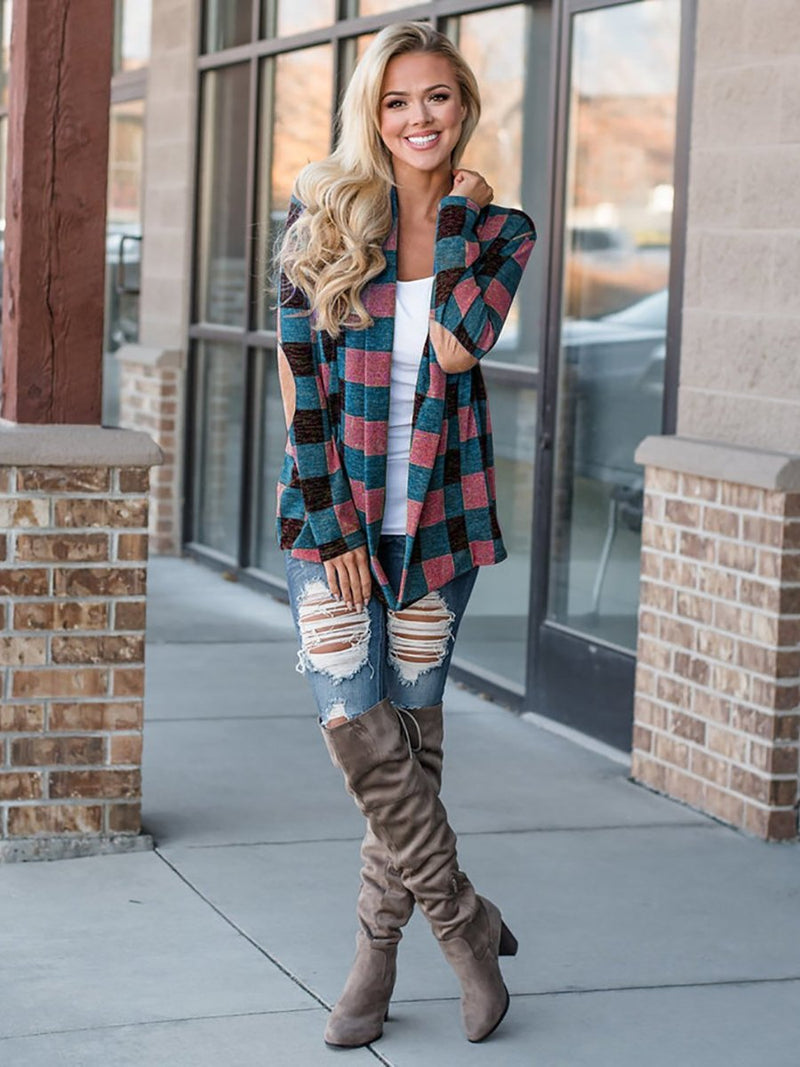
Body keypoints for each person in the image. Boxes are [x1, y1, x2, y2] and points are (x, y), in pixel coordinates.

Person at [275, 20, 535, 1049]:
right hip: (331, 527)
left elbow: (458, 339)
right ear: (368, 116)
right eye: (394, 101)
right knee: (361, 733)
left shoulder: (501, 231)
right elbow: (300, 389)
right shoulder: (319, 218)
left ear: (462, 108)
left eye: (434, 98)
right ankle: (462, 925)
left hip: (438, 526)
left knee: (412, 747)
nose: (415, 117)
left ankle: (372, 959)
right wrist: (333, 520)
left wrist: (461, 202)